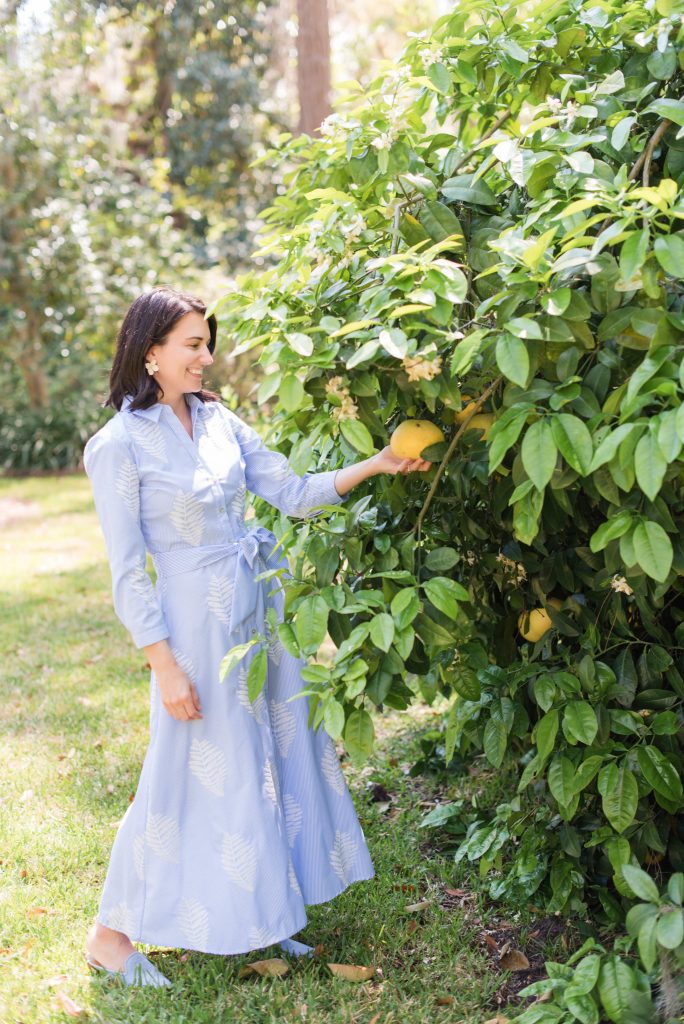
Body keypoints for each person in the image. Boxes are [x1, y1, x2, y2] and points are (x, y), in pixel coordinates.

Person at [82, 286, 432, 987]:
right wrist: (164, 665)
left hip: (259, 617)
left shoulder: (218, 421)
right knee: (182, 769)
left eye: (207, 343)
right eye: (193, 344)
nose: (207, 357)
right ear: (151, 353)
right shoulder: (116, 446)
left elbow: (293, 491)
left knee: (266, 758)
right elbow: (127, 575)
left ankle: (267, 913)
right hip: (193, 632)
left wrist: (378, 465)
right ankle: (111, 934)